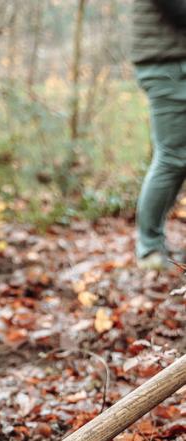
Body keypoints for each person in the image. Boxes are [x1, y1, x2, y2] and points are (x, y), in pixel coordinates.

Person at [133, 0, 186, 270]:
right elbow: (177, 10)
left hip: (173, 62)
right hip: (170, 66)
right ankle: (149, 250)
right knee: (173, 157)